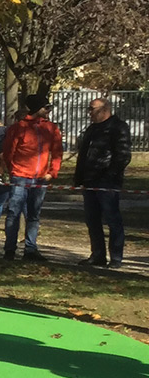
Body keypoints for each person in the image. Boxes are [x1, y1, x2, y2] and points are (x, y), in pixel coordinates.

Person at [0, 95, 63, 261]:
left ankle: (30, 249)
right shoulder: (18, 128)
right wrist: (14, 170)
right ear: (38, 109)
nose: (48, 111)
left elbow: (57, 152)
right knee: (14, 212)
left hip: (41, 178)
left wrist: (52, 172)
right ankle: (9, 249)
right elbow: (8, 152)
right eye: (46, 107)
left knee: (34, 214)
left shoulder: (51, 128)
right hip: (21, 177)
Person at [74, 98, 131, 268]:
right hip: (89, 180)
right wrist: (79, 177)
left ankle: (116, 257)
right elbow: (83, 154)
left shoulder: (118, 127)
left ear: (104, 109)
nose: (89, 112)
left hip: (107, 182)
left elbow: (123, 155)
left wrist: (110, 175)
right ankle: (98, 254)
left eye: (92, 109)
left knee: (112, 219)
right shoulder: (92, 129)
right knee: (92, 220)